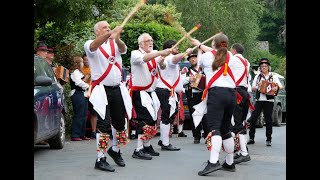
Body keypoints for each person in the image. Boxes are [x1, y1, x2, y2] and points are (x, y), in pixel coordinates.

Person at [190, 33, 244, 175]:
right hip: (232, 94)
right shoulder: (231, 57)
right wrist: (201, 45)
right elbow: (218, 52)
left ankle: (213, 162)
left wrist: (199, 47)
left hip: (217, 94)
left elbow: (199, 63)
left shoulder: (207, 57)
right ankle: (230, 162)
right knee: (226, 129)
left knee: (215, 128)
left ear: (213, 44)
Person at [84, 21, 130, 172]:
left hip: (117, 89)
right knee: (103, 125)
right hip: (101, 90)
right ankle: (100, 159)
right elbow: (93, 46)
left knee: (119, 123)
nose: (108, 29)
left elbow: (123, 49)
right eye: (105, 28)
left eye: (110, 27)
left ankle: (115, 151)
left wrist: (116, 38)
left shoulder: (114, 44)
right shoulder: (90, 44)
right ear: (97, 31)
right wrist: (111, 34)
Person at [129, 33, 171, 160]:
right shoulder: (135, 53)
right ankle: (138, 149)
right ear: (141, 43)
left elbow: (163, 67)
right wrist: (159, 53)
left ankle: (146, 145)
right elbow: (144, 59)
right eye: (147, 41)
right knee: (145, 119)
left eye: (151, 40)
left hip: (151, 92)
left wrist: (163, 59)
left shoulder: (154, 55)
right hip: (140, 91)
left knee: (152, 120)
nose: (151, 42)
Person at [155, 39, 192, 151]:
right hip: (166, 91)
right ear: (170, 48)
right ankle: (165, 143)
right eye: (176, 47)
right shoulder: (170, 57)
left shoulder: (167, 59)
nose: (177, 49)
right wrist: (186, 52)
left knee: (169, 115)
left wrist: (181, 73)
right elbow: (176, 58)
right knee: (167, 116)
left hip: (167, 91)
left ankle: (163, 139)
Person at [247, 58, 283, 146]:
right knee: (253, 118)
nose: (264, 67)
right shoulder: (257, 76)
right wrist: (257, 87)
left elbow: (280, 86)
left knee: (268, 119)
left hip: (269, 100)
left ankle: (268, 139)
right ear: (260, 67)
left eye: (265, 66)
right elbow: (252, 88)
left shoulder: (273, 76)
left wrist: (276, 87)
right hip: (259, 100)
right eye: (262, 66)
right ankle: (251, 138)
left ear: (268, 67)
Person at [229, 43, 252, 164]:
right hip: (244, 93)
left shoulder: (233, 59)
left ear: (233, 50)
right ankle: (239, 150)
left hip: (236, 92)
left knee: (235, 122)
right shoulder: (246, 62)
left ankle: (244, 152)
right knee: (240, 122)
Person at [183, 53, 205, 144]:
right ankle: (196, 136)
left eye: (194, 58)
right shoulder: (187, 71)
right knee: (194, 115)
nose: (193, 60)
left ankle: (207, 134)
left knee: (205, 115)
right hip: (192, 95)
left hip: (203, 94)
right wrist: (189, 79)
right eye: (191, 59)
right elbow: (182, 83)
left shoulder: (203, 70)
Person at [69, 56, 91, 141]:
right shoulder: (75, 72)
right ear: (78, 63)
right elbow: (78, 82)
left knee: (84, 114)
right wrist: (87, 86)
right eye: (82, 62)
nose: (83, 63)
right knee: (79, 114)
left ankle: (82, 134)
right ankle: (75, 134)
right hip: (77, 93)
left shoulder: (79, 72)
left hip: (83, 93)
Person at [81, 52, 98, 139]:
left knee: (93, 113)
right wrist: (88, 76)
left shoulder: (94, 68)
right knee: (83, 113)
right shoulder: (80, 69)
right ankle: (82, 132)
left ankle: (94, 131)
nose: (86, 61)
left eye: (88, 59)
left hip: (93, 93)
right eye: (85, 60)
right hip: (84, 93)